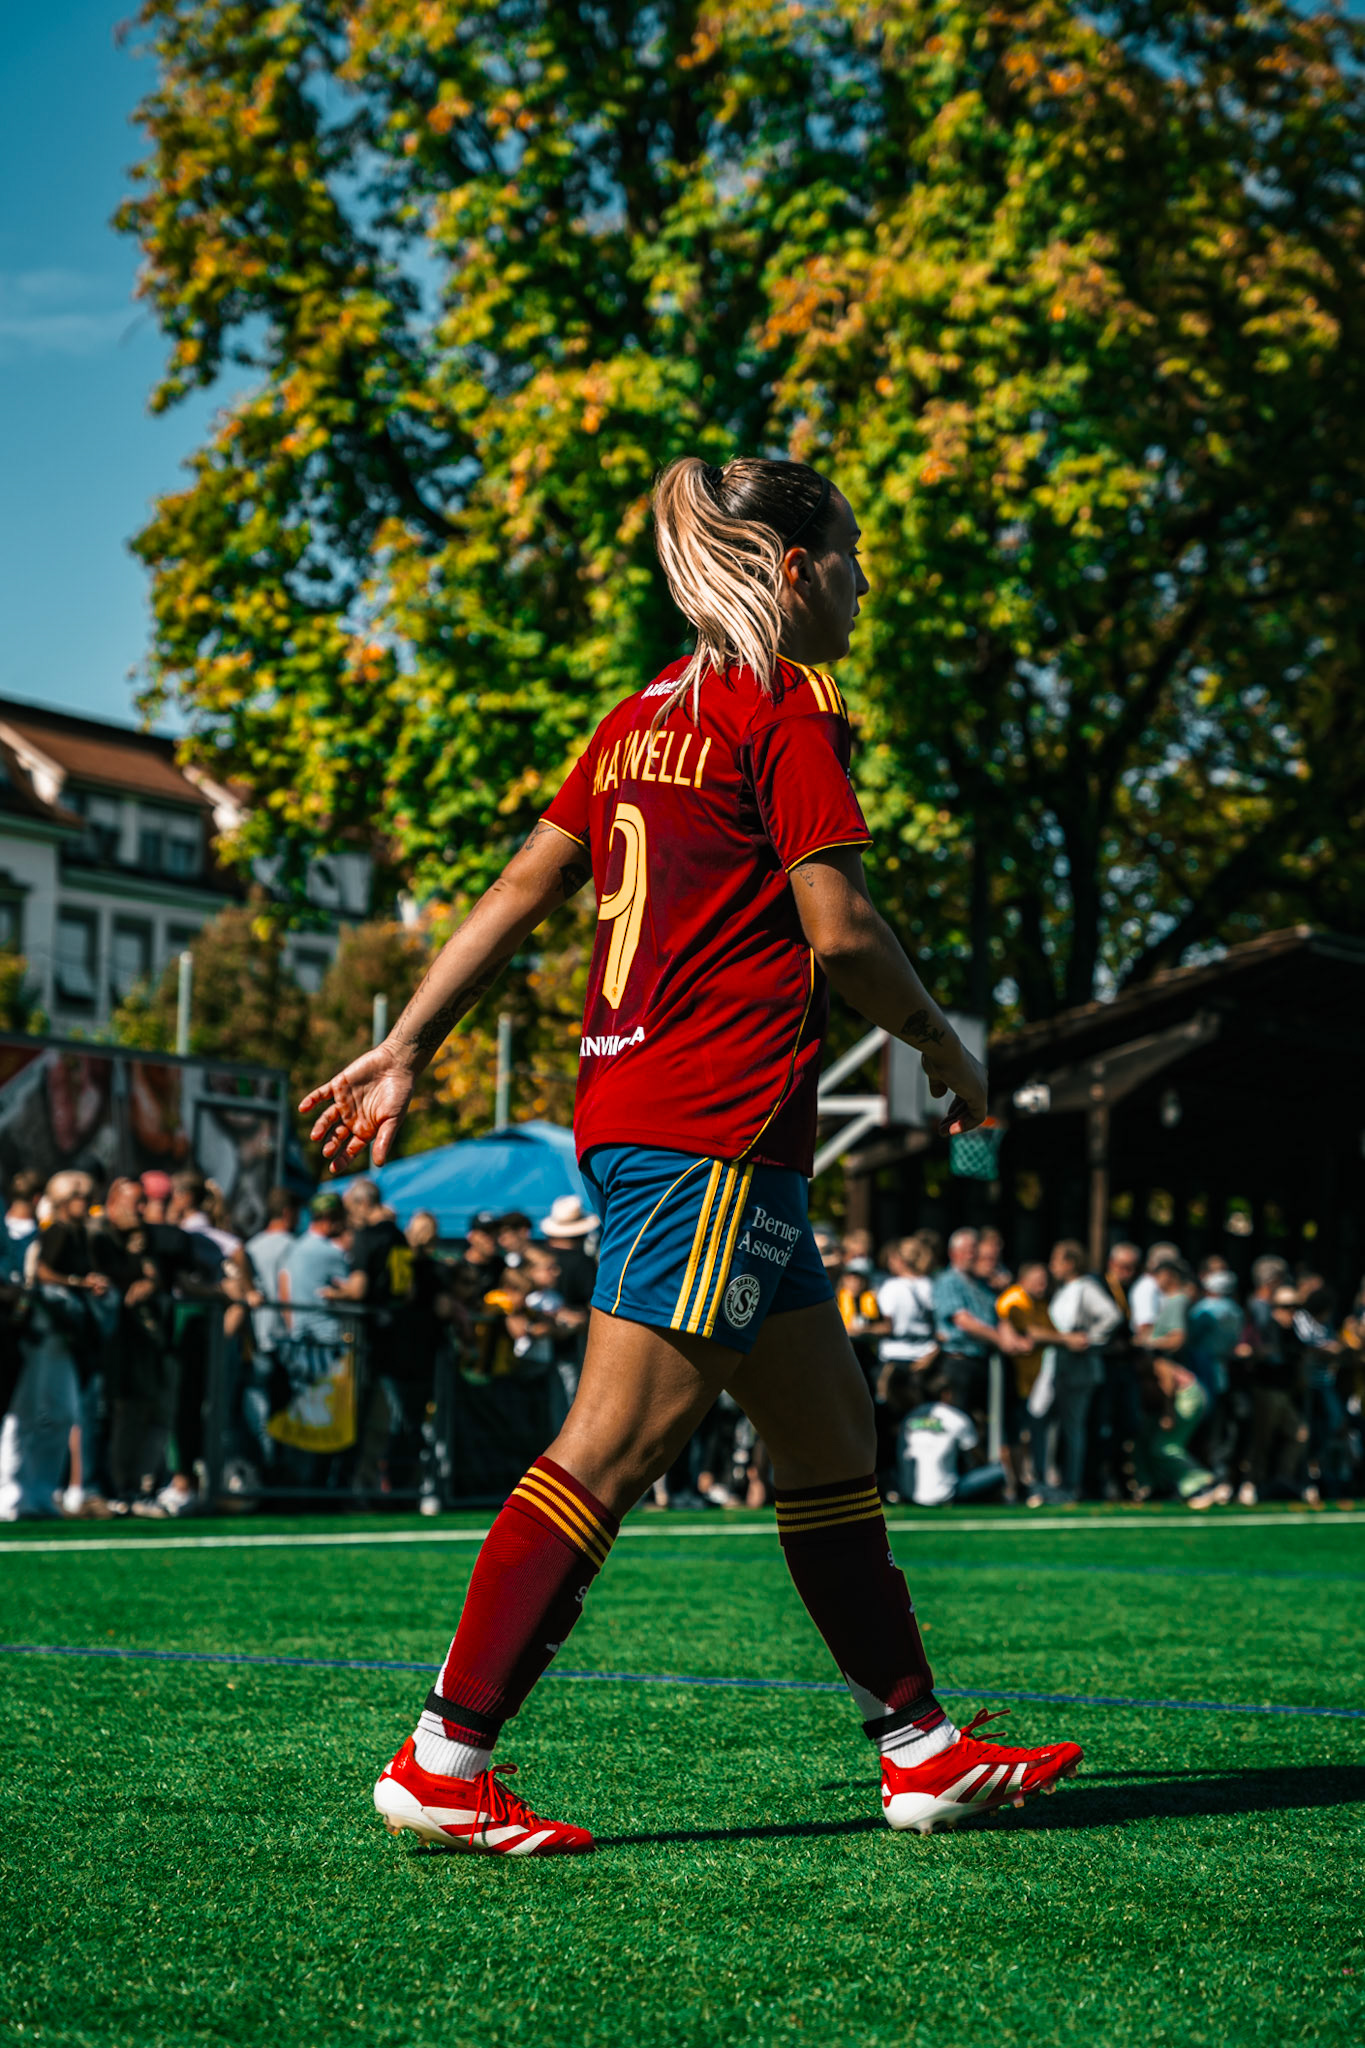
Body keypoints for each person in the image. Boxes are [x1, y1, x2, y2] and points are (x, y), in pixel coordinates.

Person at [302, 453, 1081, 1854]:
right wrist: (945, 1044)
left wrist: (407, 1040)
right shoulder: (782, 702)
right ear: (793, 568)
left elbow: (520, 888)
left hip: (655, 1118)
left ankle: (919, 1750)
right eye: (851, 556)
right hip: (711, 1125)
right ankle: (443, 1754)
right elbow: (840, 929)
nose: (863, 584)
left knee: (829, 1435)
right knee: (610, 1445)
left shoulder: (638, 716)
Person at [1043, 1240, 1124, 1504]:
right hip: (1060, 1366)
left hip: (1079, 1368)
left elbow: (1112, 1316)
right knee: (1052, 1424)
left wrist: (1089, 1339)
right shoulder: (1064, 1290)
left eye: (1057, 1260)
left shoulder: (1086, 1287)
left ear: (1070, 1263)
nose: (1052, 1266)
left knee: (1072, 1427)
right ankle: (1055, 1480)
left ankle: (1072, 1483)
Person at [931, 1227, 1020, 1435]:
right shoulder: (949, 1280)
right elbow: (963, 1321)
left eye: (974, 1250)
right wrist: (1000, 1339)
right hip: (959, 1361)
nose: (972, 1255)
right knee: (956, 1424)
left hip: (982, 1361)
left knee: (986, 1427)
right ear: (954, 1253)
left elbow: (997, 1315)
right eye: (967, 1250)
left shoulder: (981, 1284)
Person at [899, 1371, 1006, 1506]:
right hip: (947, 1493)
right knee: (998, 1471)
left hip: (911, 1494)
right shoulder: (955, 1417)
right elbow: (977, 1456)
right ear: (946, 1394)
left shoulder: (910, 1418)